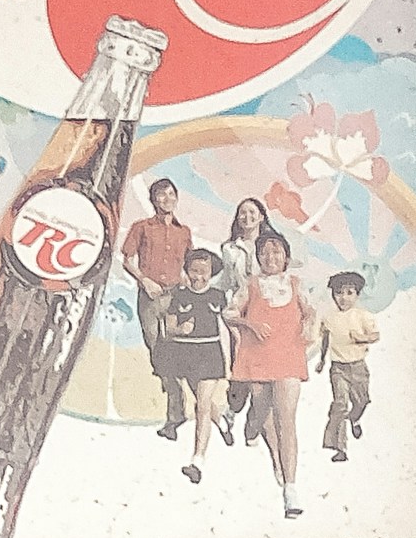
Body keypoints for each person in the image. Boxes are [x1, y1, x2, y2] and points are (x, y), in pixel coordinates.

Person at [228, 214, 312, 517]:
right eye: (265, 252)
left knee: (285, 419)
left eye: (276, 251)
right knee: (260, 410)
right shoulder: (250, 285)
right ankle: (252, 429)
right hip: (258, 357)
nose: (270, 256)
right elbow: (229, 314)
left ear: (286, 257)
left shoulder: (296, 284)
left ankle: (291, 488)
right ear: (258, 258)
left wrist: (310, 323)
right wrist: (248, 322)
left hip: (288, 355)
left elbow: (310, 310)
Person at [153, 243, 235, 483]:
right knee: (202, 402)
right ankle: (221, 423)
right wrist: (181, 328)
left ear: (212, 273)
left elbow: (227, 330)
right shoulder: (179, 296)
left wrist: (230, 363)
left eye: (204, 272)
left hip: (209, 353)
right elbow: (168, 329)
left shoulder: (218, 297)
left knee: (202, 406)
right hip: (184, 354)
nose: (198, 276)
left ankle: (197, 460)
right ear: (187, 270)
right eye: (194, 270)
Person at [125, 170, 196, 442]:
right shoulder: (142, 227)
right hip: (150, 296)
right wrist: (144, 281)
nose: (166, 198)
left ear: (176, 198)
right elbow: (127, 259)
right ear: (153, 199)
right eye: (161, 194)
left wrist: (191, 288)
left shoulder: (184, 231)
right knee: (157, 352)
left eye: (170, 194)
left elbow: (192, 264)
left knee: (173, 352)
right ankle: (176, 404)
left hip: (175, 297)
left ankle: (175, 416)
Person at [318, 263, 379, 470]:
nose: (343, 298)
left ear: (357, 294)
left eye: (349, 293)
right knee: (340, 404)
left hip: (358, 367)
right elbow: (325, 339)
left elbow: (375, 335)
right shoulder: (329, 318)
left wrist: (362, 338)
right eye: (338, 293)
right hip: (338, 368)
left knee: (362, 401)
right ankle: (340, 448)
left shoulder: (363, 316)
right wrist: (321, 360)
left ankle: (355, 419)